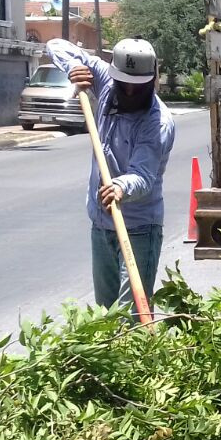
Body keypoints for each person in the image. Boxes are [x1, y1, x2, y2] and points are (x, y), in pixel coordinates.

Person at [46, 37, 175, 309]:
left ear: (152, 80)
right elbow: (56, 45)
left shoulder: (157, 122)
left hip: (139, 228)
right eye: (123, 84)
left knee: (132, 316)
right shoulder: (104, 81)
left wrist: (119, 187)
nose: (128, 92)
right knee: (105, 315)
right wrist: (72, 67)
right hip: (101, 225)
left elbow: (143, 174)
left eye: (137, 87)